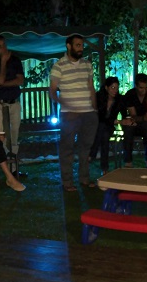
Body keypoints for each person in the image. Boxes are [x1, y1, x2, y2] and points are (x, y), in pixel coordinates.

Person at [49, 34, 98, 191]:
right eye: (77, 45)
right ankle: (67, 182)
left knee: (85, 148)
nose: (81, 48)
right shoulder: (59, 66)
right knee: (67, 149)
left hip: (88, 113)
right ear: (68, 46)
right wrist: (66, 105)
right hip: (69, 114)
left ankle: (84, 179)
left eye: (82, 45)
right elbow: (52, 91)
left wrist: (95, 108)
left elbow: (91, 87)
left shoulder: (87, 65)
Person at [0, 34, 25, 156]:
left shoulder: (15, 60)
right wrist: (3, 62)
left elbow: (20, 80)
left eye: (4, 45)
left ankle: (13, 161)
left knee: (14, 133)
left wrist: (0, 84)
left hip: (14, 102)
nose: (3, 48)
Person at [89, 76, 133, 176]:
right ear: (106, 87)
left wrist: (127, 120)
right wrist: (118, 121)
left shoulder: (120, 99)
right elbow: (100, 117)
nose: (115, 90)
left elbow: (124, 114)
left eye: (117, 88)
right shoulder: (98, 97)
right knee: (103, 132)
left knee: (104, 131)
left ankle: (92, 154)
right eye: (112, 87)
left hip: (109, 126)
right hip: (96, 126)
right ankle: (104, 168)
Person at [122, 73, 147, 168]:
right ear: (136, 86)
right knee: (128, 128)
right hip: (133, 124)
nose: (144, 90)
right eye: (141, 88)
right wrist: (144, 118)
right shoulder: (130, 95)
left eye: (146, 87)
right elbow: (133, 116)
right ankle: (128, 161)